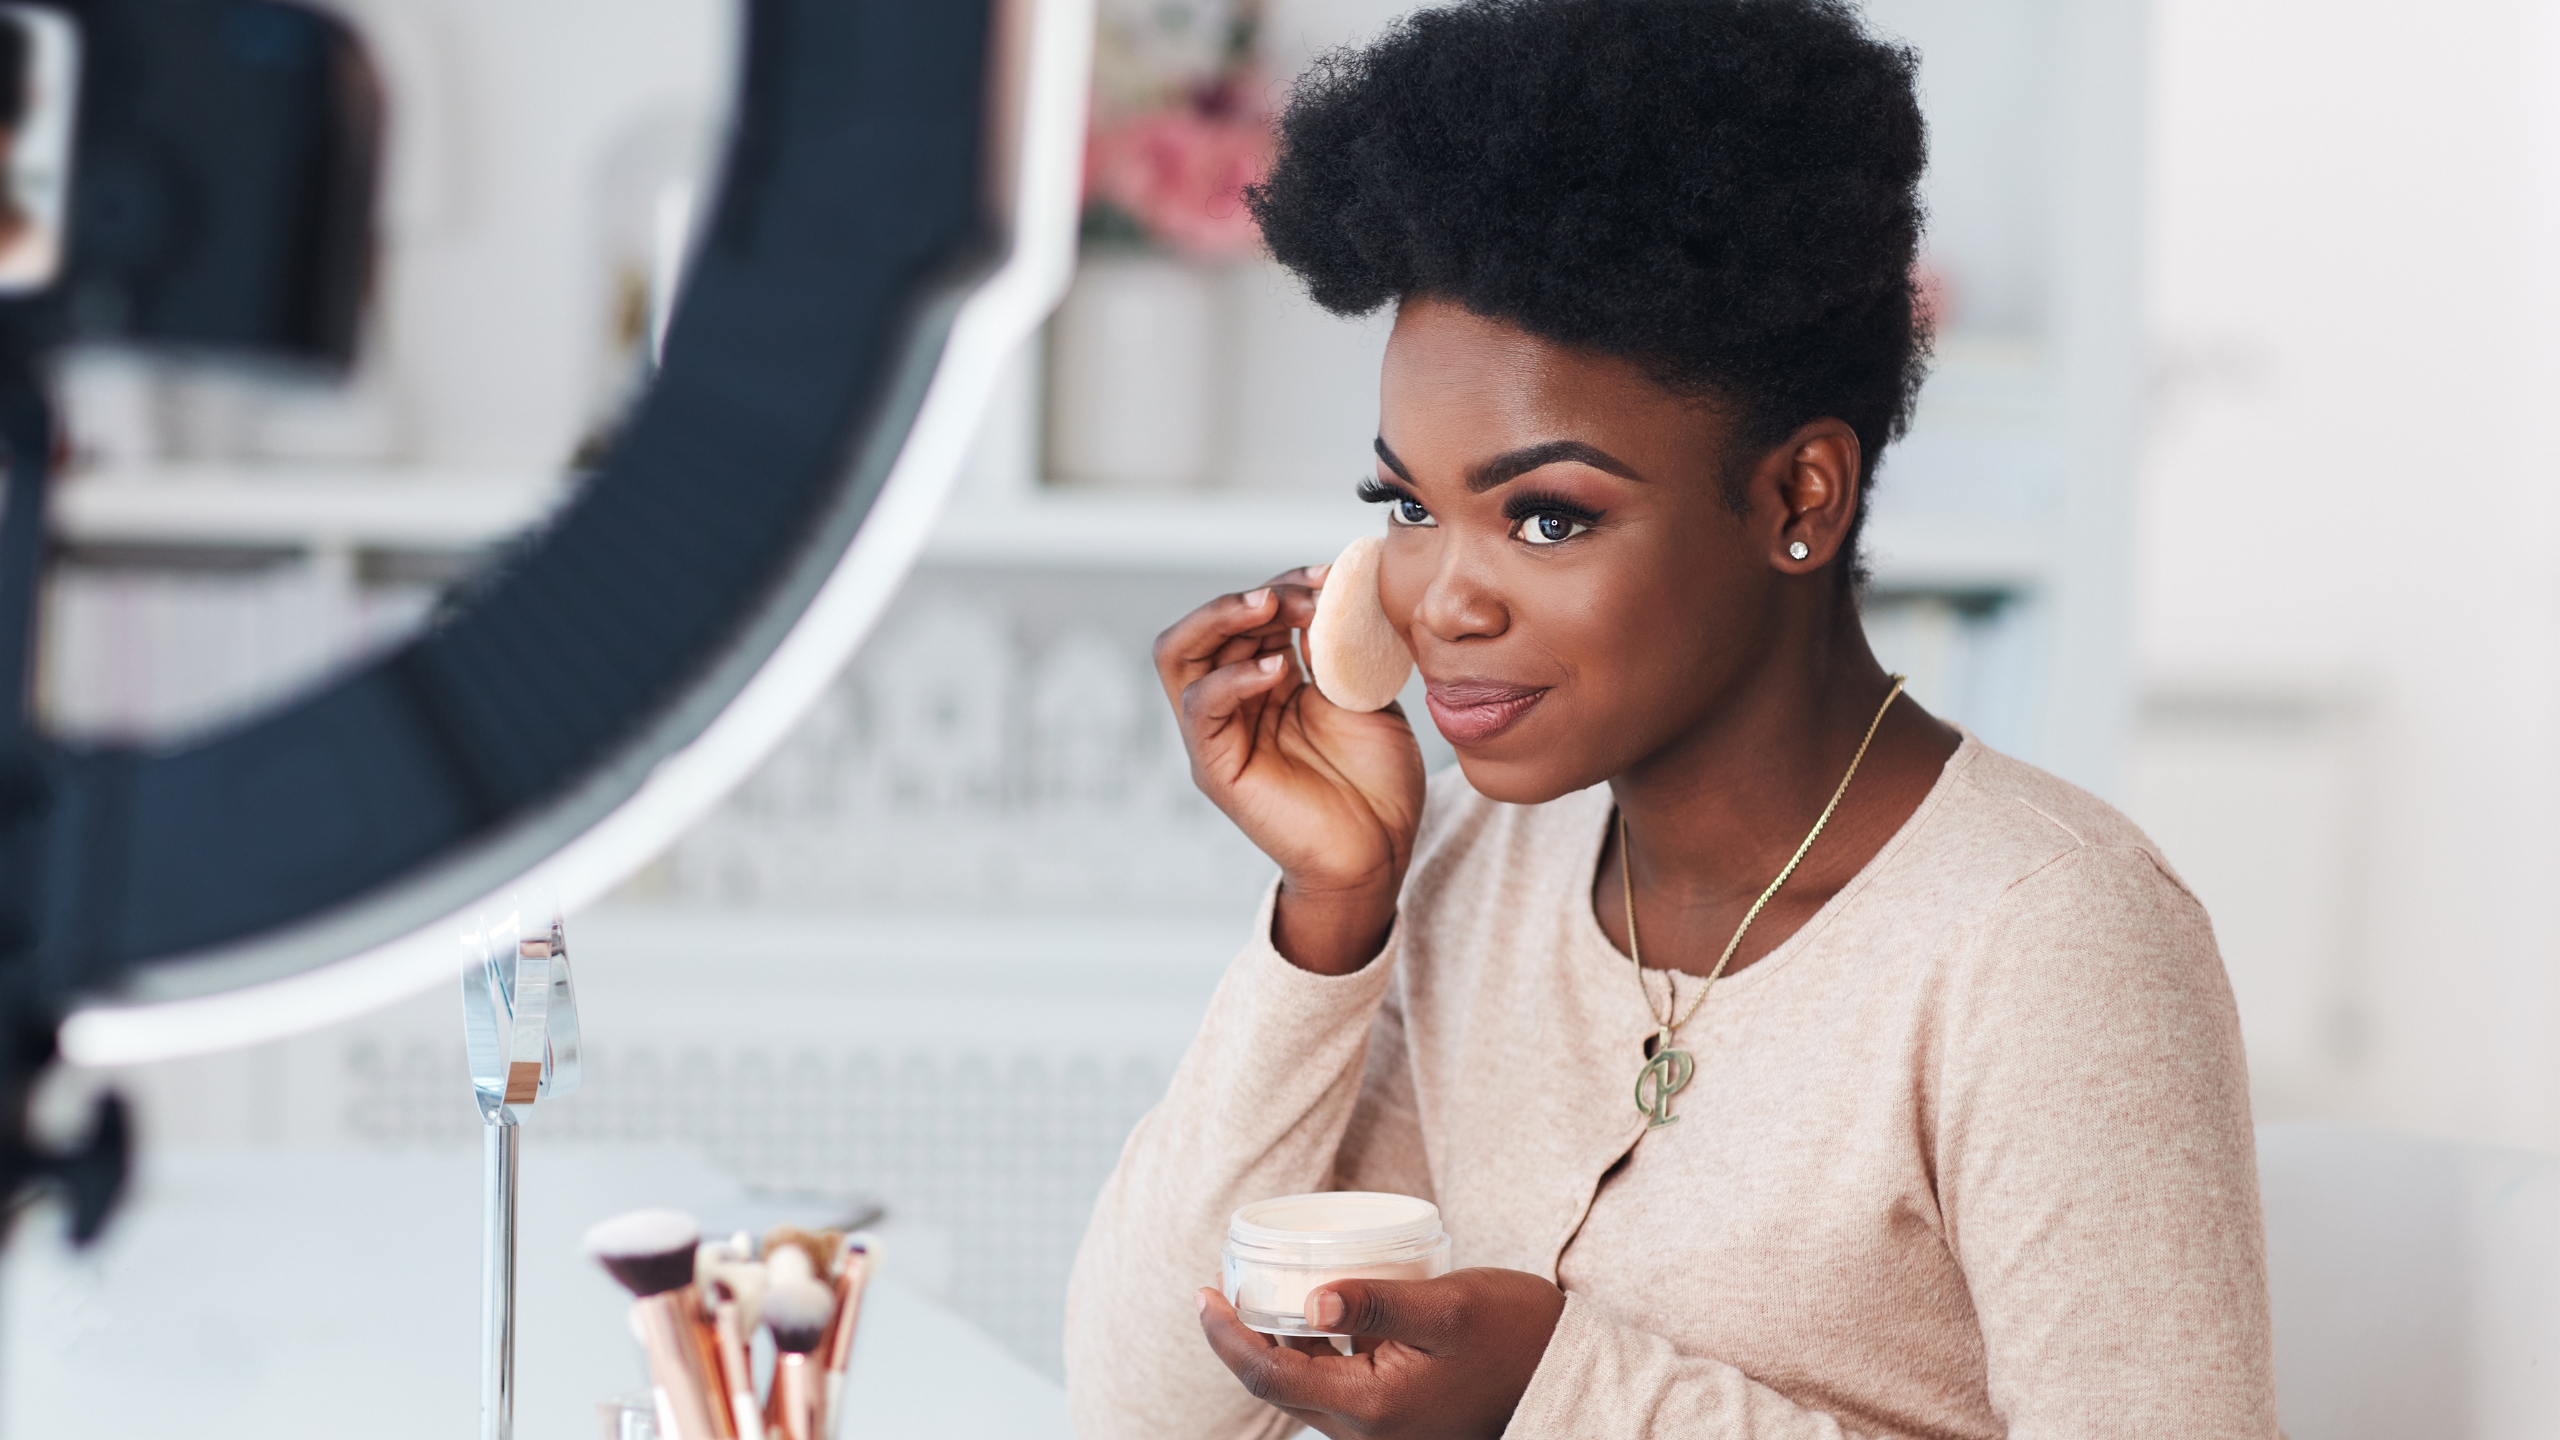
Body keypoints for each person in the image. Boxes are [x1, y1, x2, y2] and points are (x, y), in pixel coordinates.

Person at [1064, 1, 2277, 1435]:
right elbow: (1151, 1409)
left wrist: (1560, 1392)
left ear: (1797, 500)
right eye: (1406, 504)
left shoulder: (2048, 942)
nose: (1441, 598)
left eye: (1547, 514)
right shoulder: (1468, 873)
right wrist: (1329, 917)